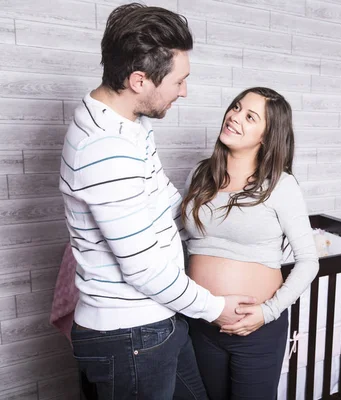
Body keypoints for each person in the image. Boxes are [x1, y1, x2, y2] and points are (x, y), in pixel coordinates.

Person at [59, 3, 255, 399]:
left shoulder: (129, 124)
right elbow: (143, 268)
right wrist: (214, 307)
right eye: (178, 81)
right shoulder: (104, 149)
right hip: (129, 335)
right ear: (139, 80)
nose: (184, 91)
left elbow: (164, 198)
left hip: (156, 323)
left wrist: (223, 223)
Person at [181, 87, 320, 399]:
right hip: (202, 321)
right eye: (236, 107)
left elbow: (309, 260)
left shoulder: (281, 186)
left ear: (267, 136)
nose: (234, 116)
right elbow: (183, 238)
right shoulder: (200, 174)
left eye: (250, 116)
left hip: (256, 328)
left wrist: (268, 311)